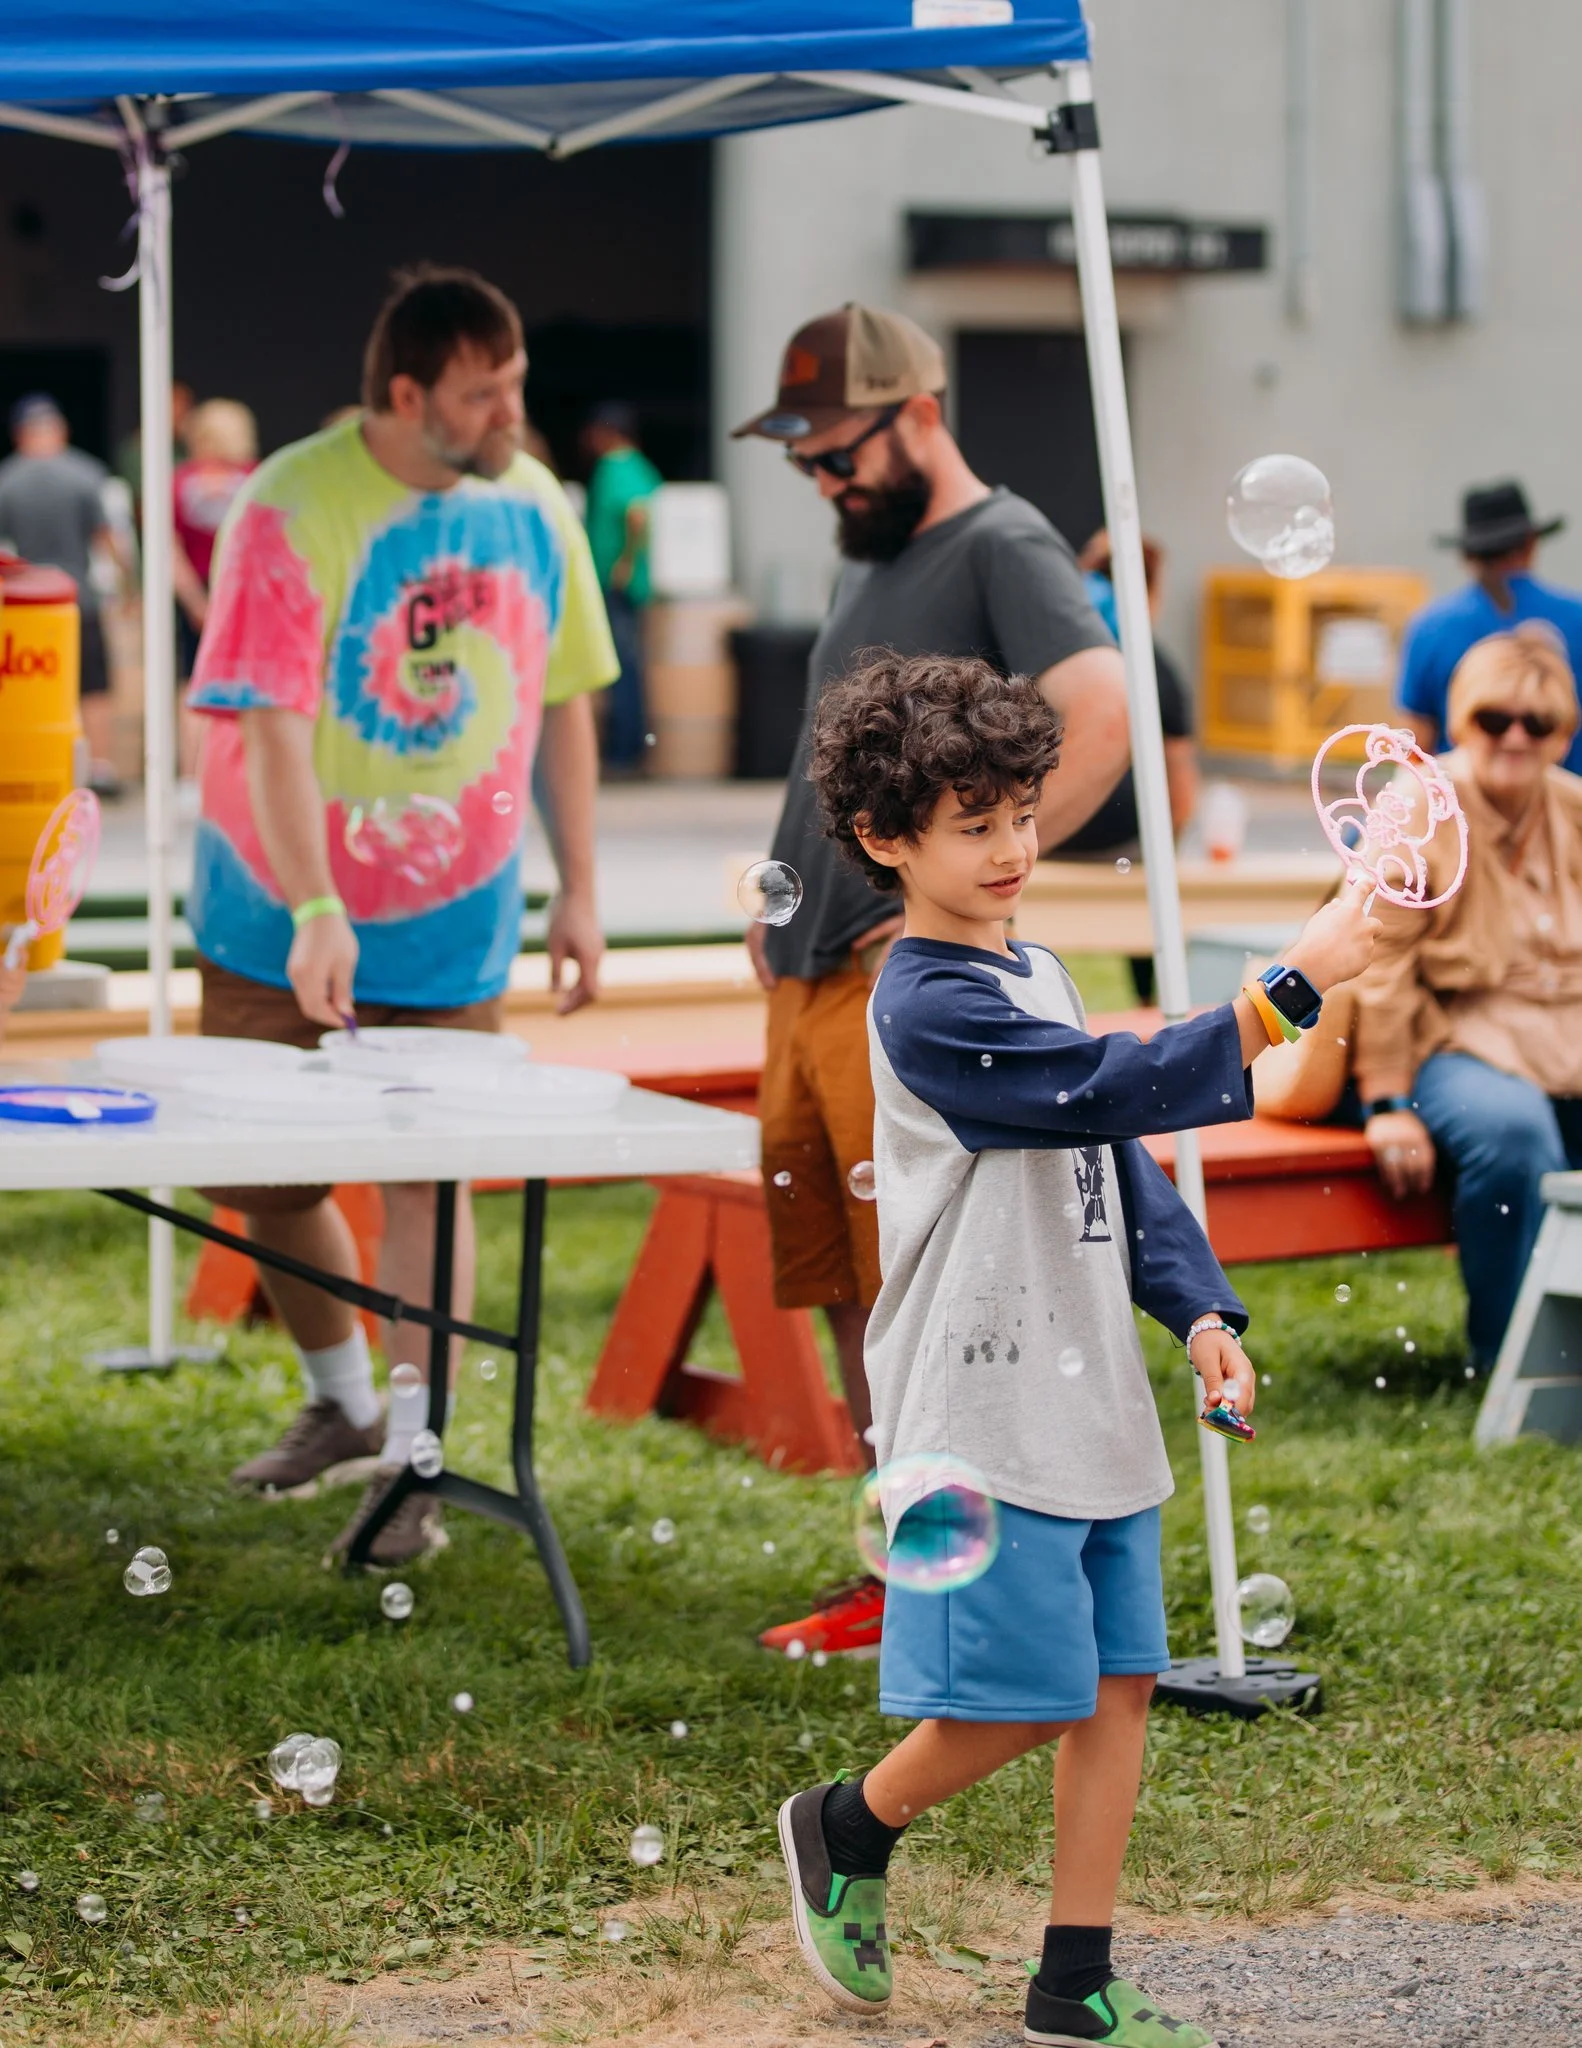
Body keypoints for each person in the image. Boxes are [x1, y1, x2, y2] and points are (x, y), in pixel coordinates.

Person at [776, 648, 1376, 2043]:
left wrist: (1204, 1311)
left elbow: (1113, 1151)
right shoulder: (925, 1002)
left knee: (1115, 1689)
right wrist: (1283, 990)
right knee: (1028, 1698)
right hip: (982, 1407)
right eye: (970, 823)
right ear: (884, 839)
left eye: (1020, 815)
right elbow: (1107, 1082)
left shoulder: (1033, 968)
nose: (1010, 849)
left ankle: (1073, 1981)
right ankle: (846, 1826)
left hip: (1083, 1394)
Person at [186, 265, 617, 1565]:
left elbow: (567, 701)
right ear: (408, 393)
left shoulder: (531, 503)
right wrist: (317, 905)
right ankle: (342, 1403)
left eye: (517, 386)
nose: (510, 413)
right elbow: (267, 725)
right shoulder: (288, 504)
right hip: (274, 904)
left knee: (431, 1180)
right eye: (485, 394)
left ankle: (417, 1463)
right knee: (265, 1178)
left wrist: (581, 887)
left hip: (454, 918)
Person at [730, 303, 1131, 1658]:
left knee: (900, 1282)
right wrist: (776, 898)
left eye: (836, 453)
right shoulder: (873, 550)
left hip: (884, 988)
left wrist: (957, 906)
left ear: (916, 414)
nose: (822, 482)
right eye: (804, 462)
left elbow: (1103, 714)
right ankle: (906, 1554)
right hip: (804, 975)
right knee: (850, 1282)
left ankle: (941, 1574)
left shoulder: (1001, 542)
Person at [1353, 624, 1582, 1366]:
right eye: (1494, 718)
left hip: (1557, 1033)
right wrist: (1388, 1104)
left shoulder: (1570, 807)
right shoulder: (1417, 802)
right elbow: (1375, 961)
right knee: (1517, 1135)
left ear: (1561, 733)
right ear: (1460, 719)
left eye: (1537, 723)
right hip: (1443, 1037)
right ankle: (1515, 1358)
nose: (1515, 737)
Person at [1068, 528, 1200, 1002]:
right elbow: (1181, 794)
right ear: (1150, 591)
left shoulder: (1058, 660)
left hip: (1046, 837)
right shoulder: (1154, 668)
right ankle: (1154, 1001)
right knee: (1154, 892)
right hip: (1124, 846)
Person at [1396, 481, 1582, 773]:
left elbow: (1414, 746)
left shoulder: (1430, 627)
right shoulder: (1577, 617)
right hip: (1570, 807)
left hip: (1461, 809)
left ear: (1467, 555)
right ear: (1531, 544)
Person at [0, 395, 125, 794]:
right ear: (61, 430)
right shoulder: (86, 474)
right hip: (78, 598)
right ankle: (100, 769)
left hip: (27, 608)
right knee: (94, 687)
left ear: (20, 435)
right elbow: (109, 539)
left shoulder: (7, 479)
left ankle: (33, 767)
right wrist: (129, 586)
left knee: (31, 689)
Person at [173, 399, 259, 784]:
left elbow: (169, 551)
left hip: (198, 591)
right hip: (245, 591)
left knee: (193, 686)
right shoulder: (257, 479)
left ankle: (192, 775)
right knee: (249, 684)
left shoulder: (177, 482)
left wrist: (195, 601)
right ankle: (239, 776)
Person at [581, 402, 662, 772]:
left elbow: (636, 514)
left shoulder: (614, 467)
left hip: (618, 584)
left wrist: (625, 562)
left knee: (620, 666)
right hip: (634, 584)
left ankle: (624, 751)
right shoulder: (643, 467)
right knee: (630, 663)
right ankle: (631, 746)